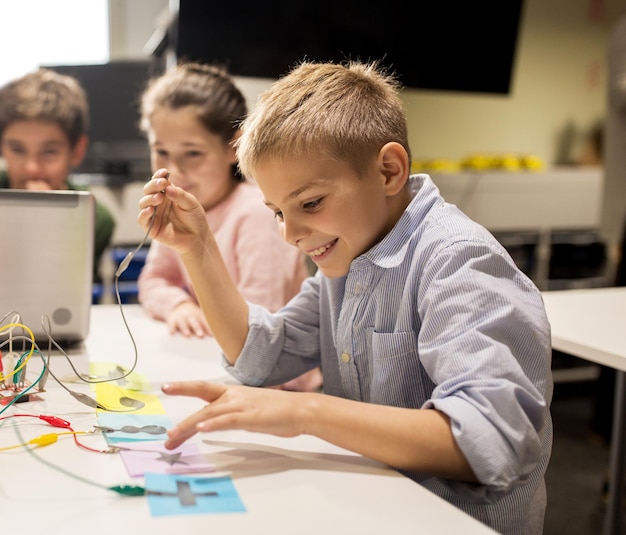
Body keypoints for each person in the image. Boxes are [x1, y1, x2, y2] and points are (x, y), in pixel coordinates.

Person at [138, 60, 553, 535]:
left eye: (310, 203)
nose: (290, 233)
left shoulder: (459, 263)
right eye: (276, 211)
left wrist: (303, 411)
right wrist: (199, 247)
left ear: (389, 170)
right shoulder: (351, 254)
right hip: (368, 506)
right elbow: (262, 354)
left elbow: (489, 441)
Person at [136, 62, 321, 392]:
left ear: (233, 148)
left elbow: (260, 330)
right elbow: (154, 278)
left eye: (192, 153)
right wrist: (178, 305)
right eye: (161, 151)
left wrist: (205, 317)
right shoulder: (179, 208)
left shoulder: (255, 214)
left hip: (279, 386)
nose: (173, 169)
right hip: (216, 359)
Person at [0, 68, 116, 285]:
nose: (32, 168)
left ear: (77, 150)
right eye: (17, 149)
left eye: (49, 152)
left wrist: (49, 225)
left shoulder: (94, 218)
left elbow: (61, 289)